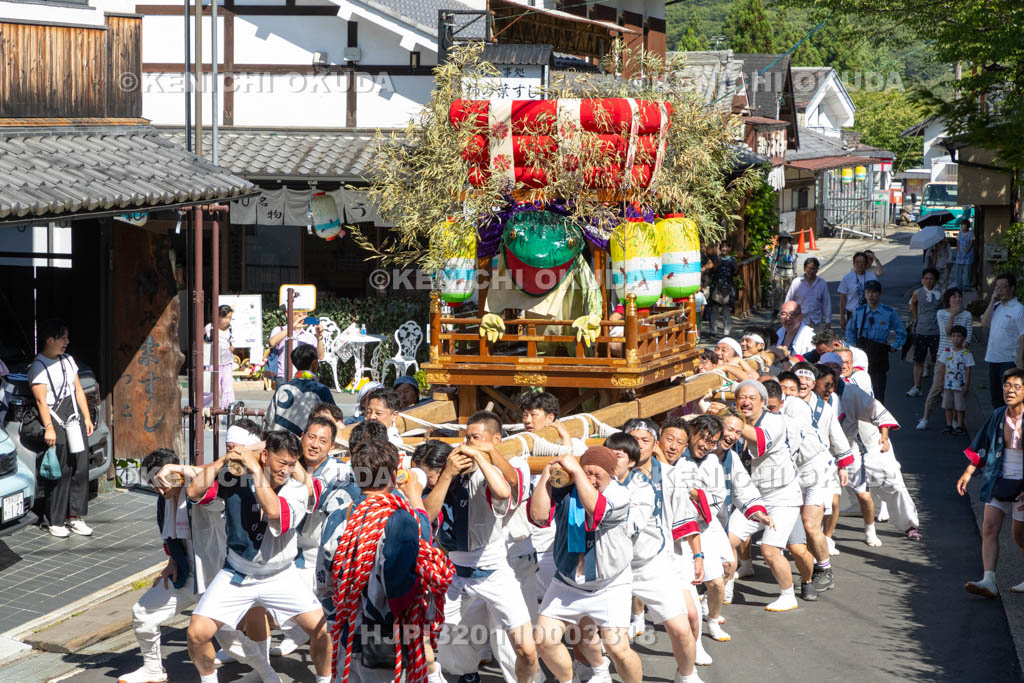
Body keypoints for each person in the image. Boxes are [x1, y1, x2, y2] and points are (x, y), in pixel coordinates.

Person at [185, 430, 332, 683]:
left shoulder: (297, 489)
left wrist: (255, 470)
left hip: (281, 576)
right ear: (265, 455)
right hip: (237, 572)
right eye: (280, 462)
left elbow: (273, 509)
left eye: (291, 464)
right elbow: (193, 491)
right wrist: (223, 460)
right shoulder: (235, 478)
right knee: (196, 633)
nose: (285, 470)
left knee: (321, 631)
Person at [425, 411, 538, 683]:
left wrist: (482, 455)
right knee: (441, 637)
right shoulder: (444, 475)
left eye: (476, 437)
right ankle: (465, 673)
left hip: (497, 572)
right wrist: (448, 474)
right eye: (467, 436)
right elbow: (426, 516)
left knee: (523, 647)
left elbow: (504, 490)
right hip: (455, 574)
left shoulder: (502, 468)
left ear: (495, 439)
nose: (468, 442)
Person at [120, 448, 251, 683]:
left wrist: (184, 472)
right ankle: (152, 668)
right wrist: (171, 561)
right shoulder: (164, 501)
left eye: (163, 481)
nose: (159, 489)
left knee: (231, 642)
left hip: (216, 577)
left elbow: (214, 485)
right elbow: (170, 537)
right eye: (153, 483)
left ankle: (266, 672)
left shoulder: (198, 492)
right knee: (143, 612)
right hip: (186, 575)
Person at [315, 439, 440, 683]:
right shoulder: (399, 519)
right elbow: (421, 543)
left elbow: (323, 583)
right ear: (394, 475)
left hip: (346, 637)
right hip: (384, 639)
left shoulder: (338, 517)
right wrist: (415, 495)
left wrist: (340, 619)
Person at [529, 447, 642, 683]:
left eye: (597, 475)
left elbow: (596, 509)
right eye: (586, 472)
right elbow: (539, 515)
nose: (591, 479)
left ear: (611, 475)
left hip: (609, 584)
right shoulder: (567, 490)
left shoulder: (619, 495)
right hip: (568, 580)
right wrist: (546, 478)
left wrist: (578, 473)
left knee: (618, 649)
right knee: (544, 640)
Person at [619, 420, 704, 683]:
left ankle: (686, 674)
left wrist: (698, 556)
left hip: (657, 561)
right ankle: (592, 671)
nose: (639, 446)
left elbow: (685, 519)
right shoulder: (610, 474)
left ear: (654, 444)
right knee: (598, 633)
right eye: (633, 440)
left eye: (645, 440)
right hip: (614, 564)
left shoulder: (670, 475)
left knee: (681, 627)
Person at [820, 355, 922, 543]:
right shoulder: (813, 389)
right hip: (825, 452)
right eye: (828, 365)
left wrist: (884, 435)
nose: (833, 369)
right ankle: (820, 536)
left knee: (892, 483)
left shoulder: (854, 388)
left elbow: (877, 411)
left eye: (838, 365)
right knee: (824, 494)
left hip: (866, 443)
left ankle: (909, 524)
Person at [724, 380, 803, 612]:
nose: (746, 402)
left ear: (763, 402)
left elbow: (759, 440)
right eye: (742, 398)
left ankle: (789, 595)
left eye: (752, 398)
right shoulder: (736, 422)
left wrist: (729, 424)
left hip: (783, 496)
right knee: (726, 541)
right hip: (755, 497)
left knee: (770, 549)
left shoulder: (775, 421)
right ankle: (726, 588)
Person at [957, 368, 1024, 598]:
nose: (1010, 390)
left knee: (1019, 536)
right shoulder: (998, 415)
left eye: (1016, 386)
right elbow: (982, 443)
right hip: (999, 477)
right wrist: (968, 472)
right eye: (1007, 386)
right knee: (989, 527)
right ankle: (989, 580)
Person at [29, 318, 95, 538]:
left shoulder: (68, 360)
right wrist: (48, 427)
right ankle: (54, 520)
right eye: (63, 337)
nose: (67, 341)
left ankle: (75, 516)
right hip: (54, 418)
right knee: (61, 469)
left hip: (73, 415)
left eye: (67, 337)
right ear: (50, 339)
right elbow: (40, 402)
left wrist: (86, 417)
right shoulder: (38, 366)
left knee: (80, 466)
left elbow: (78, 390)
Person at [917, 287, 974, 430]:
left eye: (959, 296)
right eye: (953, 297)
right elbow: (946, 332)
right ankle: (925, 418)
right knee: (936, 387)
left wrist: (961, 353)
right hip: (944, 355)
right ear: (948, 299)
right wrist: (952, 315)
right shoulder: (941, 313)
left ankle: (954, 421)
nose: (957, 299)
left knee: (957, 389)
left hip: (960, 357)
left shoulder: (967, 315)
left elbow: (968, 337)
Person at [844, 280, 906, 402]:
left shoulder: (888, 312)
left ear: (879, 294)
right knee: (859, 387)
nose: (871, 295)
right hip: (862, 353)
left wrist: (895, 346)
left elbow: (902, 332)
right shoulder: (859, 311)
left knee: (878, 389)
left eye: (874, 292)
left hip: (879, 353)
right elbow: (849, 330)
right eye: (868, 292)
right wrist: (853, 348)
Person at [264, 344, 336, 436]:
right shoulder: (321, 390)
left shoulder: (282, 388)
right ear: (314, 363)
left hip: (280, 442)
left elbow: (269, 419)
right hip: (308, 444)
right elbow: (334, 420)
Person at [981, 273, 1024, 408]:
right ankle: (998, 426)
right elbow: (984, 323)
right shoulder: (996, 306)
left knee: (1010, 398)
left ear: (1012, 288)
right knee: (996, 397)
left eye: (1003, 287)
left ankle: (1012, 427)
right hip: (993, 358)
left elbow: (1023, 335)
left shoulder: (1019, 309)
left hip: (1009, 360)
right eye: (997, 287)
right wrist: (992, 301)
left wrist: (1020, 360)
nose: (999, 290)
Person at [267, 309, 326, 390]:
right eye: (298, 314)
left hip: (305, 378)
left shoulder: (309, 336)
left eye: (304, 314)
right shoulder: (280, 330)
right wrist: (292, 327)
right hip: (284, 377)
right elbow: (272, 342)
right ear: (287, 314)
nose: (301, 317)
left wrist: (319, 337)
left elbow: (320, 356)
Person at [906, 268, 942, 398]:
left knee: (937, 362)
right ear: (922, 280)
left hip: (937, 332)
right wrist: (916, 318)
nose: (928, 281)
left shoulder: (941, 293)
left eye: (931, 278)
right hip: (921, 330)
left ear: (935, 280)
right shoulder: (918, 292)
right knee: (918, 360)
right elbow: (913, 304)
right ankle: (917, 386)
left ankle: (938, 389)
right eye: (926, 278)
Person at [940, 325, 974, 435]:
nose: (956, 339)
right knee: (948, 405)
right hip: (947, 384)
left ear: (964, 338)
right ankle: (948, 424)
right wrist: (941, 382)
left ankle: (959, 425)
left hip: (960, 384)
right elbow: (942, 367)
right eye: (953, 336)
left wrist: (966, 384)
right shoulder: (947, 351)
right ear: (950, 337)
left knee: (960, 406)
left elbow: (968, 369)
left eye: (959, 336)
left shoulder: (966, 353)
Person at [784, 257, 830, 331]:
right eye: (809, 268)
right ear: (804, 268)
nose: (811, 271)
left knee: (817, 342)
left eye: (813, 269)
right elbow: (788, 300)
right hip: (800, 321)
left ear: (817, 269)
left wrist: (828, 320)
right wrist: (787, 317)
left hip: (816, 321)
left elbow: (826, 303)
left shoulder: (822, 283)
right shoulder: (796, 282)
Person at [837, 252, 878, 330]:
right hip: (852, 313)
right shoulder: (847, 278)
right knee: (853, 339)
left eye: (862, 262)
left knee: (868, 339)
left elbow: (877, 297)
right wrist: (842, 317)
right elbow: (842, 298)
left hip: (868, 313)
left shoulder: (872, 277)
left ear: (866, 264)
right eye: (858, 262)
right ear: (853, 263)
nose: (860, 264)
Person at [206, 305, 235, 409]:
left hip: (227, 362)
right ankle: (207, 411)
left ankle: (226, 411)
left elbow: (232, 343)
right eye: (225, 317)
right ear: (218, 316)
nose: (228, 320)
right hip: (213, 362)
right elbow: (202, 341)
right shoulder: (210, 327)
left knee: (228, 388)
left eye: (230, 318)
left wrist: (232, 348)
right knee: (213, 387)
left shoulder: (230, 329)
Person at [707, 242, 738, 336]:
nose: (724, 249)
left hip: (727, 285)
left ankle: (727, 331)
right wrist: (716, 264)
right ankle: (713, 330)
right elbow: (711, 271)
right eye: (723, 247)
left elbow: (735, 273)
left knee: (726, 309)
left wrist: (739, 266)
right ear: (720, 248)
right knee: (714, 308)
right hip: (716, 285)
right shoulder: (716, 259)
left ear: (729, 248)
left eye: (726, 247)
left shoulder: (732, 260)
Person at [769, 233, 796, 315]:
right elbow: (773, 262)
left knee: (787, 292)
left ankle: (786, 309)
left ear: (789, 240)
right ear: (781, 240)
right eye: (783, 239)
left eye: (786, 239)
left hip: (789, 273)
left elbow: (795, 262)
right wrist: (771, 275)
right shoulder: (778, 249)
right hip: (778, 272)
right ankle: (776, 308)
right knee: (778, 291)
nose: (785, 240)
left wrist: (795, 274)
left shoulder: (791, 249)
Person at [953, 218, 975, 291]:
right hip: (960, 255)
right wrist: (959, 250)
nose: (963, 227)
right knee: (958, 272)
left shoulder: (971, 233)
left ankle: (966, 287)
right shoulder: (960, 233)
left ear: (967, 226)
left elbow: (971, 243)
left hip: (968, 255)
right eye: (962, 226)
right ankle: (959, 286)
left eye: (964, 226)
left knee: (967, 272)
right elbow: (958, 242)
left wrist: (966, 251)